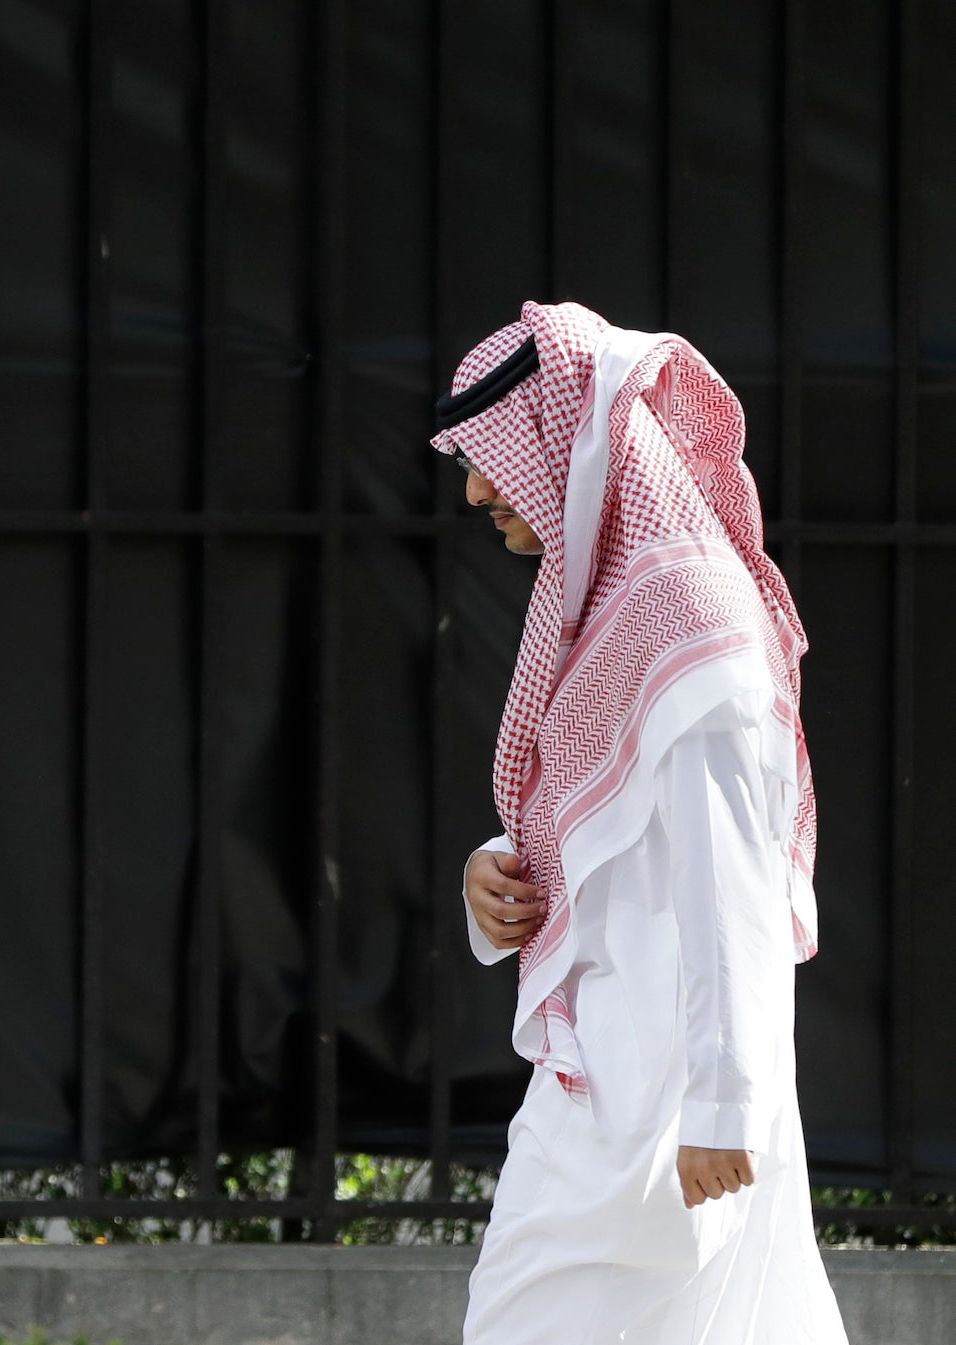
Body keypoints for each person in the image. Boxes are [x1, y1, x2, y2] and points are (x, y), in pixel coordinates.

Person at [432, 301, 847, 1343]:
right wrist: (496, 877)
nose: (476, 488)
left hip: (667, 1097)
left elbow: (731, 877)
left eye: (493, 453)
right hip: (623, 1074)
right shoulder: (622, 605)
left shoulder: (687, 614)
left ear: (567, 441)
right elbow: (616, 834)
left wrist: (719, 1105)